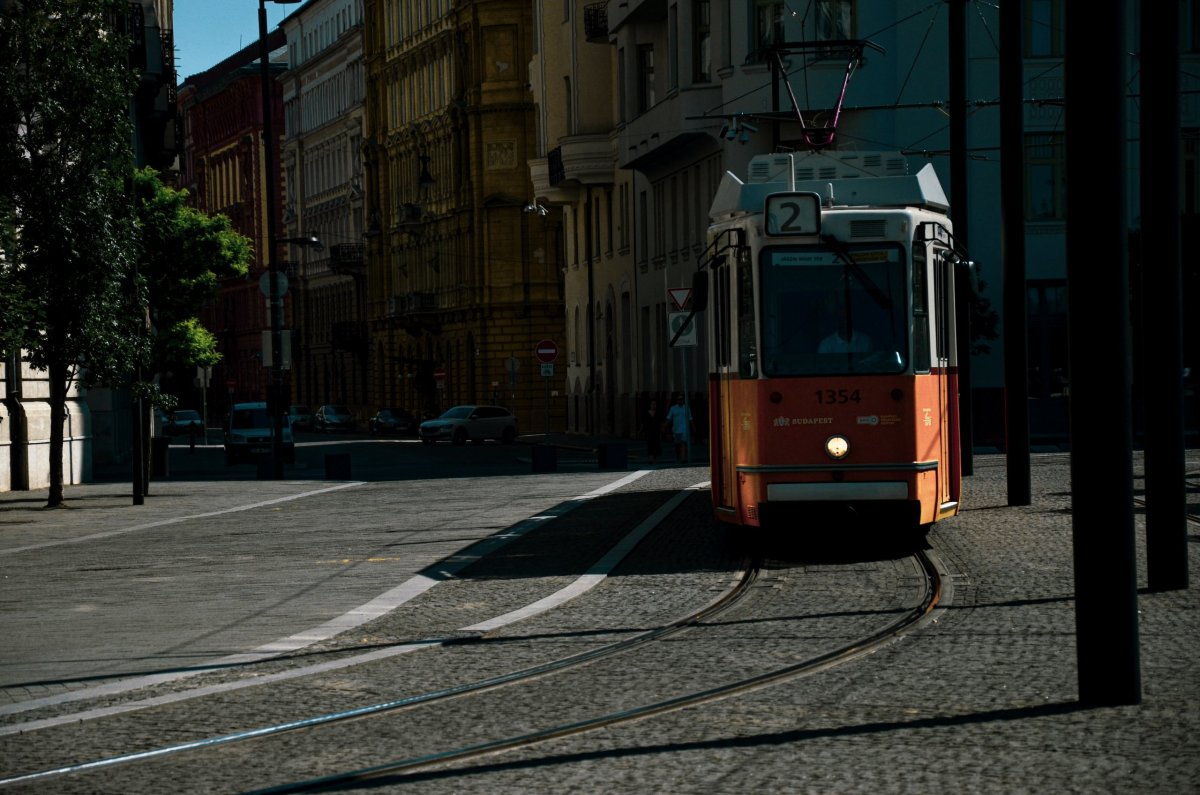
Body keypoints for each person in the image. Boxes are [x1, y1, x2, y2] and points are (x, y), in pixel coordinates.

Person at [663, 393, 694, 464]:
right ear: (676, 400)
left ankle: (683, 458)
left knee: (683, 443)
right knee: (677, 445)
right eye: (679, 399)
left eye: (681, 399)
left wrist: (693, 428)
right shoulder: (673, 408)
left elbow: (690, 418)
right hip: (676, 430)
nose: (680, 400)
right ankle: (678, 457)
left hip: (684, 429)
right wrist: (664, 426)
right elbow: (669, 418)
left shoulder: (686, 408)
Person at [641, 399, 662, 464]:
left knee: (656, 444)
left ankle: (654, 459)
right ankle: (651, 458)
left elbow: (660, 422)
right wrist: (642, 430)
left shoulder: (658, 413)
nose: (654, 405)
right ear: (650, 405)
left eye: (655, 404)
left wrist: (661, 431)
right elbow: (644, 422)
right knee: (650, 444)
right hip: (649, 431)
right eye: (652, 404)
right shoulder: (646, 413)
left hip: (656, 431)